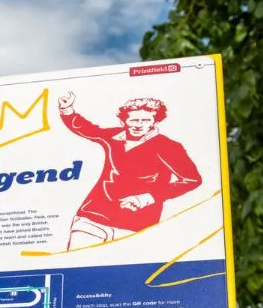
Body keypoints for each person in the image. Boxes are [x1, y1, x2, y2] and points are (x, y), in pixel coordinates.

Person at [58, 91, 201, 250]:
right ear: (123, 121)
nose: (139, 125)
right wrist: (67, 110)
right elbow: (87, 129)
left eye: (145, 120)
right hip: (93, 215)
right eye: (133, 120)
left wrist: (149, 197)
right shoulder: (113, 137)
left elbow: (192, 180)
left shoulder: (168, 147)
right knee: (78, 262)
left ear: (155, 121)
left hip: (135, 225)